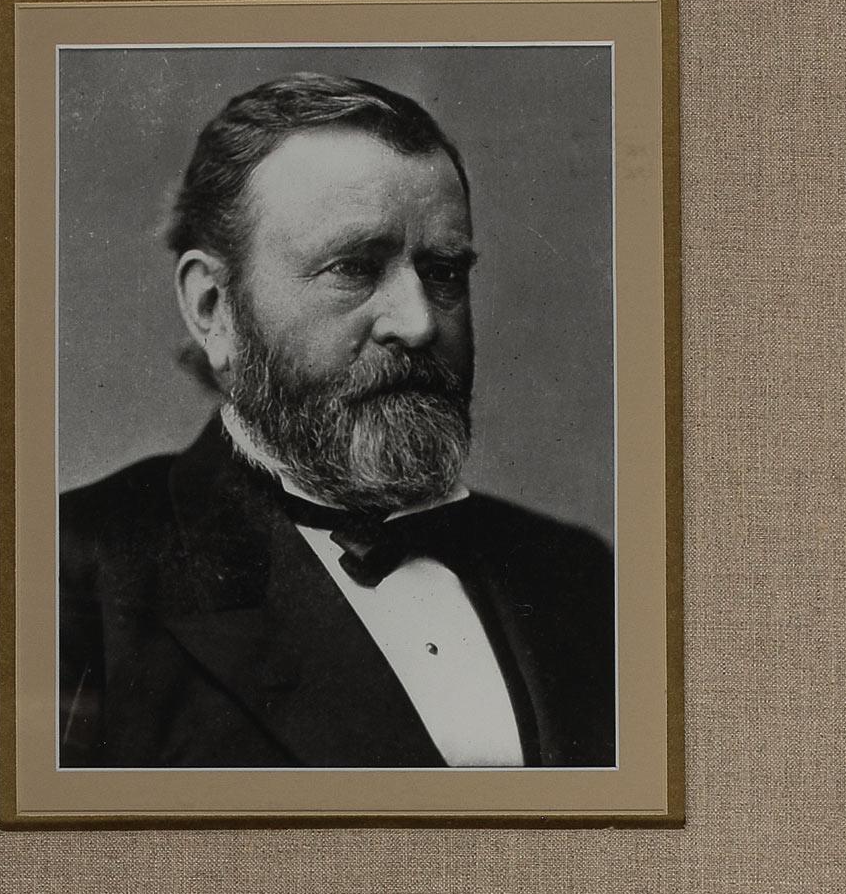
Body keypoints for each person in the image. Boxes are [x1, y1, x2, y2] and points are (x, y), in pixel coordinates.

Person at [59, 72, 614, 769]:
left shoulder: (579, 575)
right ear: (214, 308)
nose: (418, 323)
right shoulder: (75, 575)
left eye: (444, 271)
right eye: (354, 268)